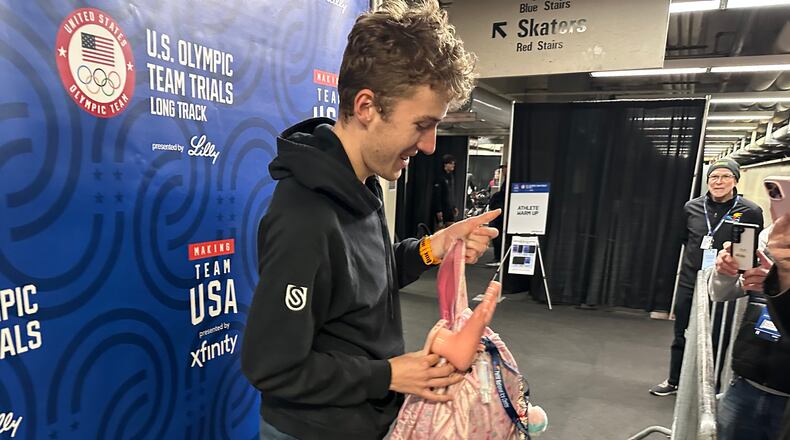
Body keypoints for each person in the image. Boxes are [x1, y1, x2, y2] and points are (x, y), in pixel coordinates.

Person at [240, 2, 501, 439]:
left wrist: (432, 247)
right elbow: (272, 367)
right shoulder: (303, 217)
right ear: (366, 106)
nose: (431, 145)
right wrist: (388, 376)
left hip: (366, 419)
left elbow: (366, 282)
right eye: (422, 124)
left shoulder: (363, 186)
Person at [650, 158, 763, 396]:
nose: (719, 181)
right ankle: (674, 380)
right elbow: (685, 240)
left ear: (735, 180)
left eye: (725, 176)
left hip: (726, 284)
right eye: (714, 177)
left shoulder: (750, 211)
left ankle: (711, 387)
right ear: (708, 180)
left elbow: (751, 250)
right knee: (682, 332)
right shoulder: (691, 207)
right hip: (691, 281)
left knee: (718, 337)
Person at [710, 213, 790, 439]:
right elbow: (721, 292)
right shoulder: (775, 236)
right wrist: (725, 272)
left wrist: (779, 281)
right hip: (747, 383)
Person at [486, 164, 507, 267]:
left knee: (497, 233)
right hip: (498, 211)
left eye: (504, 168)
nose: (502, 170)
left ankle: (498, 257)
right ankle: (498, 256)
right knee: (495, 232)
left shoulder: (510, 180)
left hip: (502, 213)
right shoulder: (505, 181)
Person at [433, 154, 458, 229]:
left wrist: (454, 206)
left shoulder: (451, 177)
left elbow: (451, 194)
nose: (453, 165)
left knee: (452, 229)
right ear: (445, 164)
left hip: (449, 209)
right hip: (442, 209)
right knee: (441, 230)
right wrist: (438, 210)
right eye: (451, 163)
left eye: (454, 163)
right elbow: (437, 195)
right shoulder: (440, 177)